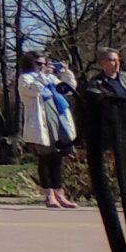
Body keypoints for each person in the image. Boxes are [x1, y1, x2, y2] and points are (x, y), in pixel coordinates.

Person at [17, 51, 79, 208]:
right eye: (39, 64)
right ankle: (49, 195)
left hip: (57, 120)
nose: (43, 67)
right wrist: (43, 76)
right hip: (41, 124)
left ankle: (60, 194)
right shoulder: (25, 78)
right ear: (30, 64)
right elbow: (34, 90)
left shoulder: (50, 78)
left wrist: (65, 73)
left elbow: (68, 89)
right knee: (45, 158)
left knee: (57, 158)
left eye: (45, 63)